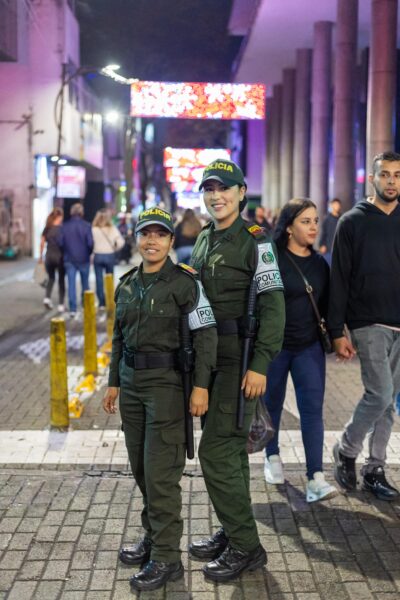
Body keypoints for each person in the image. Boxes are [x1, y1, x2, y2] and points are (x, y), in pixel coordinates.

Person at [102, 207, 217, 592]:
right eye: (145, 234)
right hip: (132, 385)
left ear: (171, 241)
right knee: (140, 469)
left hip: (167, 388)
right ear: (137, 239)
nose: (152, 241)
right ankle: (153, 537)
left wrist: (200, 387)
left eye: (160, 235)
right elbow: (118, 338)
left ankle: (167, 558)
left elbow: (206, 336)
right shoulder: (128, 284)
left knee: (161, 475)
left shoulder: (186, 284)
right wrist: (113, 382)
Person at [189, 159, 285, 582]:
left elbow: (273, 306)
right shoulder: (204, 238)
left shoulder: (256, 241)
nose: (216, 196)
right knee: (231, 455)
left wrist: (262, 363)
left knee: (215, 451)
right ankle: (233, 530)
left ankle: (247, 546)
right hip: (209, 360)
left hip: (239, 361)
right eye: (209, 189)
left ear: (242, 192)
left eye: (224, 189)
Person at [330, 151, 400, 502]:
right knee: (381, 395)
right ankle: (346, 448)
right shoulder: (352, 221)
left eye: (397, 175)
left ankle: (375, 468)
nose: (391, 181)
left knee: (388, 405)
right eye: (385, 174)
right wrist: (336, 330)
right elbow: (339, 278)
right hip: (367, 321)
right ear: (372, 178)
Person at [263, 198, 337, 502]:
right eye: (306, 221)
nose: (314, 227)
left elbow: (328, 304)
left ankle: (315, 478)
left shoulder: (319, 264)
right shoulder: (272, 258)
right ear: (290, 226)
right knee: (272, 404)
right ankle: (272, 458)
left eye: (316, 220)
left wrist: (338, 336)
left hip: (308, 347)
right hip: (275, 347)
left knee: (312, 410)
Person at [59, 202, 93, 318]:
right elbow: (90, 243)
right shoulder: (87, 226)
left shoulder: (64, 226)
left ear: (71, 212)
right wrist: (88, 253)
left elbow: (60, 243)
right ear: (81, 212)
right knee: (85, 284)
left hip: (69, 259)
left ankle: (73, 309)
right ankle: (85, 306)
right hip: (84, 259)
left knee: (71, 284)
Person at [92, 209, 125, 309]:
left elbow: (90, 243)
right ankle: (110, 300)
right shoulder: (112, 228)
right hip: (109, 255)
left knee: (99, 280)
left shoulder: (93, 229)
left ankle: (101, 303)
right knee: (110, 279)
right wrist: (115, 248)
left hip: (97, 255)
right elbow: (121, 242)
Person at [39, 207, 65, 312]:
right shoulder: (62, 229)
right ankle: (61, 304)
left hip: (49, 257)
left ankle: (47, 298)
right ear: (59, 217)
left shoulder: (47, 228)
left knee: (51, 278)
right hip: (60, 257)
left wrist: (40, 257)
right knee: (61, 280)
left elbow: (41, 243)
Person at [318, 197, 341, 265]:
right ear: (332, 205)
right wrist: (322, 244)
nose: (337, 206)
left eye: (338, 204)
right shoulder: (327, 219)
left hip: (340, 249)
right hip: (329, 248)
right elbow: (323, 233)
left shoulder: (342, 218)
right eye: (335, 204)